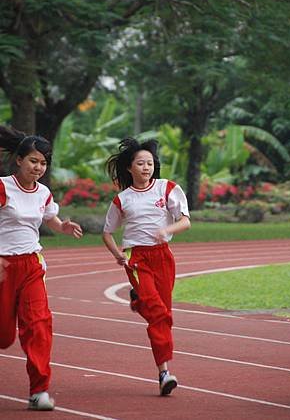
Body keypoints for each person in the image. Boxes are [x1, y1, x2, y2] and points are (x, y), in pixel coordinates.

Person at [0, 126, 83, 411]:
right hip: (3, 267)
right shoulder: (3, 187)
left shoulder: (44, 193)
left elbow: (51, 219)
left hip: (32, 265)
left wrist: (63, 226)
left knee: (38, 326)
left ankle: (39, 391)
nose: (38, 167)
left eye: (44, 162)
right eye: (33, 160)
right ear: (19, 160)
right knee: (4, 336)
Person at [102, 137, 191, 396]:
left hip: (163, 257)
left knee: (162, 312)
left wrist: (167, 229)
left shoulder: (168, 188)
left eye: (150, 163)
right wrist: (117, 254)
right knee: (159, 315)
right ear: (129, 168)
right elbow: (107, 233)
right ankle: (164, 373)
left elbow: (185, 221)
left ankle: (138, 302)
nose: (146, 167)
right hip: (137, 259)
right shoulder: (123, 199)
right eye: (140, 163)